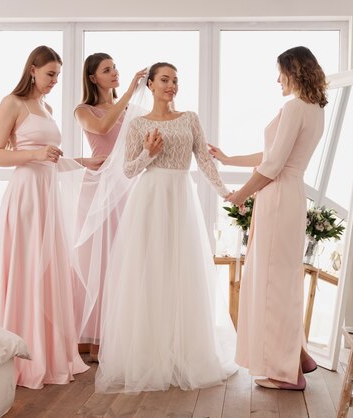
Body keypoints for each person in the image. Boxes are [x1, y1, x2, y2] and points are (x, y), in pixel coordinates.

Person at [95, 62, 238, 393]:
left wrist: (226, 193)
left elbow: (203, 159)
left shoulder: (189, 118)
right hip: (150, 199)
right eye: (165, 79)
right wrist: (148, 152)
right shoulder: (137, 124)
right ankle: (149, 357)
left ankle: (182, 353)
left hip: (180, 198)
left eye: (175, 79)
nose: (172, 85)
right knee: (151, 273)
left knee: (181, 273)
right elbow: (129, 171)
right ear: (151, 85)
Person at [209, 46, 327, 390]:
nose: (278, 79)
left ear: (294, 71)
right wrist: (229, 159)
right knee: (284, 279)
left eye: (281, 72)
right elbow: (274, 155)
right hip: (291, 194)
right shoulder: (315, 109)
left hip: (278, 196)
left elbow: (273, 165)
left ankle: (284, 372)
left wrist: (241, 195)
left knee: (273, 283)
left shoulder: (294, 108)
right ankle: (297, 355)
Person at [0, 45, 89, 389]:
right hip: (26, 197)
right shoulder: (12, 103)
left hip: (47, 194)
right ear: (32, 69)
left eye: (58, 75)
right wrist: (35, 153)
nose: (54, 81)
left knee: (46, 269)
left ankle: (47, 353)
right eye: (50, 74)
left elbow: (50, 159)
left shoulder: (46, 108)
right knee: (27, 268)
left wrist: (84, 164)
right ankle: (22, 356)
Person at [72, 53, 147, 361]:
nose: (114, 72)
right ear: (93, 78)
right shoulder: (83, 110)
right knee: (95, 263)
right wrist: (129, 89)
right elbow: (102, 129)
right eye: (107, 70)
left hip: (125, 188)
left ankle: (115, 336)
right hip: (95, 188)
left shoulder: (130, 110)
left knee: (122, 259)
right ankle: (89, 337)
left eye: (115, 67)